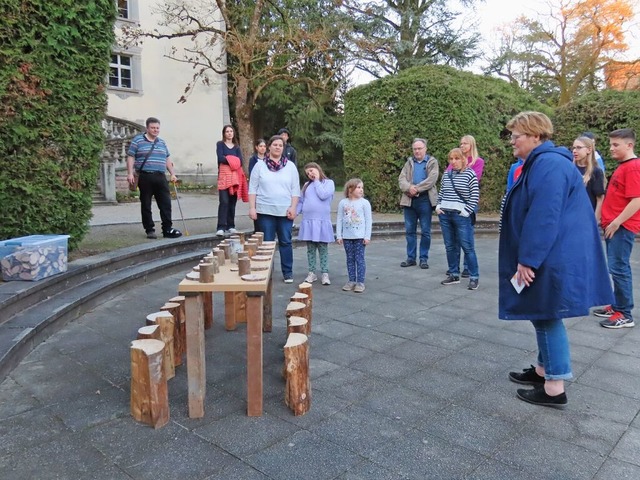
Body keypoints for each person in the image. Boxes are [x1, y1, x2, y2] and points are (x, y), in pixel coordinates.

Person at [500, 111, 612, 408]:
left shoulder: (548, 166)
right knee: (541, 311)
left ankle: (554, 386)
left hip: (553, 254)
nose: (513, 141)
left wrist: (528, 259)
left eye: (517, 136)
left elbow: (544, 216)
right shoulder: (546, 163)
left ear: (535, 136)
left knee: (547, 315)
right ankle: (542, 371)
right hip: (555, 252)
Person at [593, 128, 640, 328]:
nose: (610, 148)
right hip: (614, 226)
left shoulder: (633, 167)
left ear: (629, 145)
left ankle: (625, 313)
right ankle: (618, 305)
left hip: (621, 227)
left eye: (615, 145)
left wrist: (616, 221)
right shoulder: (624, 166)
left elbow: (637, 200)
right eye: (611, 144)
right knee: (616, 268)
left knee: (619, 269)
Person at [248, 135, 300, 283]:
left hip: (285, 211)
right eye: (275, 145)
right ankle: (266, 271)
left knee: (285, 241)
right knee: (267, 243)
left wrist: (293, 207)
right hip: (265, 211)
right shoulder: (259, 166)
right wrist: (252, 208)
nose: (278, 147)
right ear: (269, 147)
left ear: (283, 148)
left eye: (280, 145)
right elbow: (253, 188)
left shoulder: (290, 167)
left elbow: (295, 190)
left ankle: (287, 272)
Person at [126, 117, 182, 239]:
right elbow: (131, 157)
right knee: (146, 204)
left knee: (166, 204)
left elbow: (167, 159)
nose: (155, 130)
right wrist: (130, 173)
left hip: (160, 176)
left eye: (157, 128)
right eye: (153, 128)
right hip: (145, 176)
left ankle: (167, 229)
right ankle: (149, 229)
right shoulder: (138, 141)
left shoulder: (161, 142)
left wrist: (172, 173)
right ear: (147, 128)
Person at [436, 148, 480, 290]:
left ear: (463, 159)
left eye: (456, 158)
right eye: (451, 159)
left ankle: (474, 277)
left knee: (467, 247)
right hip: (445, 214)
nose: (453, 162)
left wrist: (466, 211)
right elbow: (442, 192)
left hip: (461, 216)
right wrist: (438, 206)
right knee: (450, 246)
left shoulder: (470, 174)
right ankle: (454, 274)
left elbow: (474, 196)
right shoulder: (446, 175)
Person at [446, 135, 484, 277]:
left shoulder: (477, 162)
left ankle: (468, 267)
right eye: (461, 143)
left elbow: (475, 179)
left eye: (465, 144)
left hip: (467, 204)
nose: (462, 146)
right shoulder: (455, 158)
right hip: (453, 204)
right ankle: (453, 267)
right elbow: (448, 176)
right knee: (453, 238)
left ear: (471, 145)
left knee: (466, 237)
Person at [398, 138, 439, 269]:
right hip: (409, 200)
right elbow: (401, 179)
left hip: (425, 200)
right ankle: (411, 258)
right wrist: (409, 188)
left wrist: (416, 189)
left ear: (425, 149)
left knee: (426, 231)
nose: (417, 151)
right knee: (410, 231)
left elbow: (431, 180)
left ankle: (423, 259)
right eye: (415, 148)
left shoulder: (432, 162)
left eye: (419, 148)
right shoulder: (408, 163)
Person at [296, 162, 335, 285]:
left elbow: (323, 195)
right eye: (308, 173)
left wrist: (317, 180)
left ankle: (325, 273)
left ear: (318, 169)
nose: (310, 174)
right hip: (309, 221)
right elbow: (301, 201)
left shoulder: (329, 183)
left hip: (322, 221)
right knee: (310, 249)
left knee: (323, 249)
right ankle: (312, 272)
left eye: (312, 170)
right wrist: (295, 212)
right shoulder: (307, 185)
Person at [336, 178, 372, 293]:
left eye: (362, 187)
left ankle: (360, 282)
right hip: (347, 237)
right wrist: (339, 235)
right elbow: (339, 219)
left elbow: (368, 220)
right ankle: (351, 280)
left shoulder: (364, 203)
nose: (361, 190)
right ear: (350, 189)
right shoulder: (343, 203)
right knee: (350, 259)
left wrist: (367, 236)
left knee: (359, 259)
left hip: (360, 237)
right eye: (358, 187)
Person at [215, 124, 245, 236]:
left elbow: (240, 162)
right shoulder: (220, 144)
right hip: (223, 178)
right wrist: (233, 161)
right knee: (224, 201)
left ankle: (231, 225)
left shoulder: (237, 147)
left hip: (235, 178)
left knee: (232, 202)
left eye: (231, 131)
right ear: (224, 133)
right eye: (227, 131)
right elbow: (220, 158)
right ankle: (221, 226)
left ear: (233, 133)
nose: (229, 133)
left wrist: (228, 159)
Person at [572, 135, 606, 221]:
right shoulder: (569, 169)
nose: (574, 151)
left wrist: (594, 221)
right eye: (573, 148)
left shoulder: (596, 172)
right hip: (569, 216)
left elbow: (600, 199)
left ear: (589, 150)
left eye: (579, 148)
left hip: (586, 218)